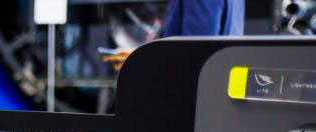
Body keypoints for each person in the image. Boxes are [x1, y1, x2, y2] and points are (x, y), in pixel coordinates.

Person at [103, 0, 245, 69]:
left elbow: (194, 56)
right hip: (220, 90)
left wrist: (139, 61)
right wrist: (138, 56)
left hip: (191, 101)